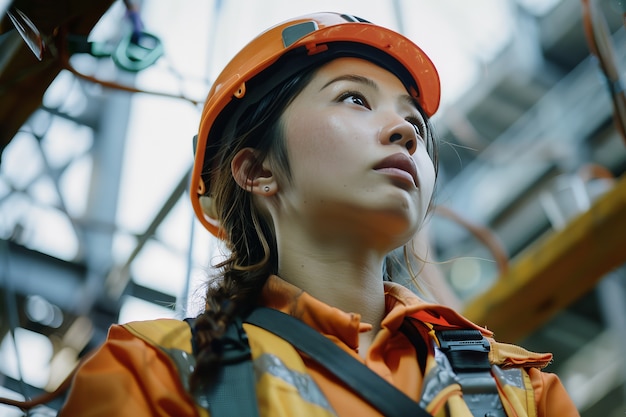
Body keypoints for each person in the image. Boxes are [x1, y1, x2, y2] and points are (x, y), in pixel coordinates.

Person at [57, 12, 579, 417]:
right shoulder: (151, 373)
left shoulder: (522, 390)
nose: (406, 132)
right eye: (354, 98)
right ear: (257, 170)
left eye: (414, 121)